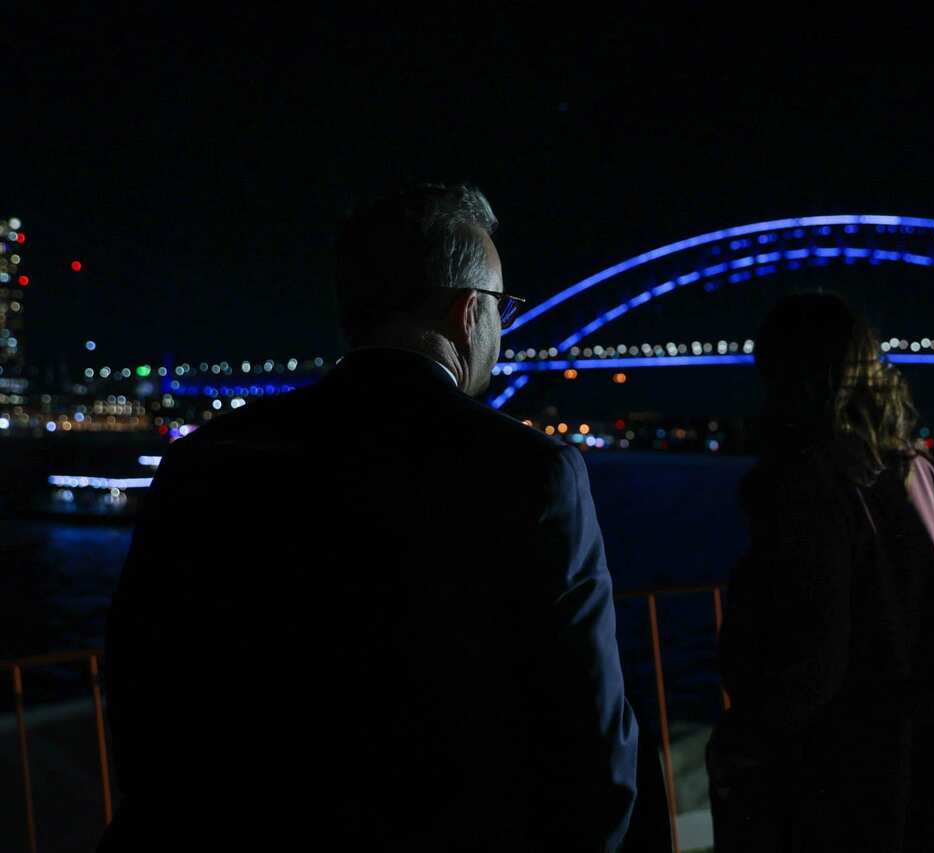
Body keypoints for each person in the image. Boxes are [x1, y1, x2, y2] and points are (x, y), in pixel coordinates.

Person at [99, 183, 639, 851]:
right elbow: (591, 741)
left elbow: (137, 677)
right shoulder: (533, 473)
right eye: (504, 307)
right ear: (469, 312)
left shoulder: (208, 455)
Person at [707, 293, 934, 852]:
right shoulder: (926, 475)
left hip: (829, 776)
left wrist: (743, 743)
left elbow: (814, 657)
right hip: (932, 765)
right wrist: (932, 670)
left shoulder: (800, 487)